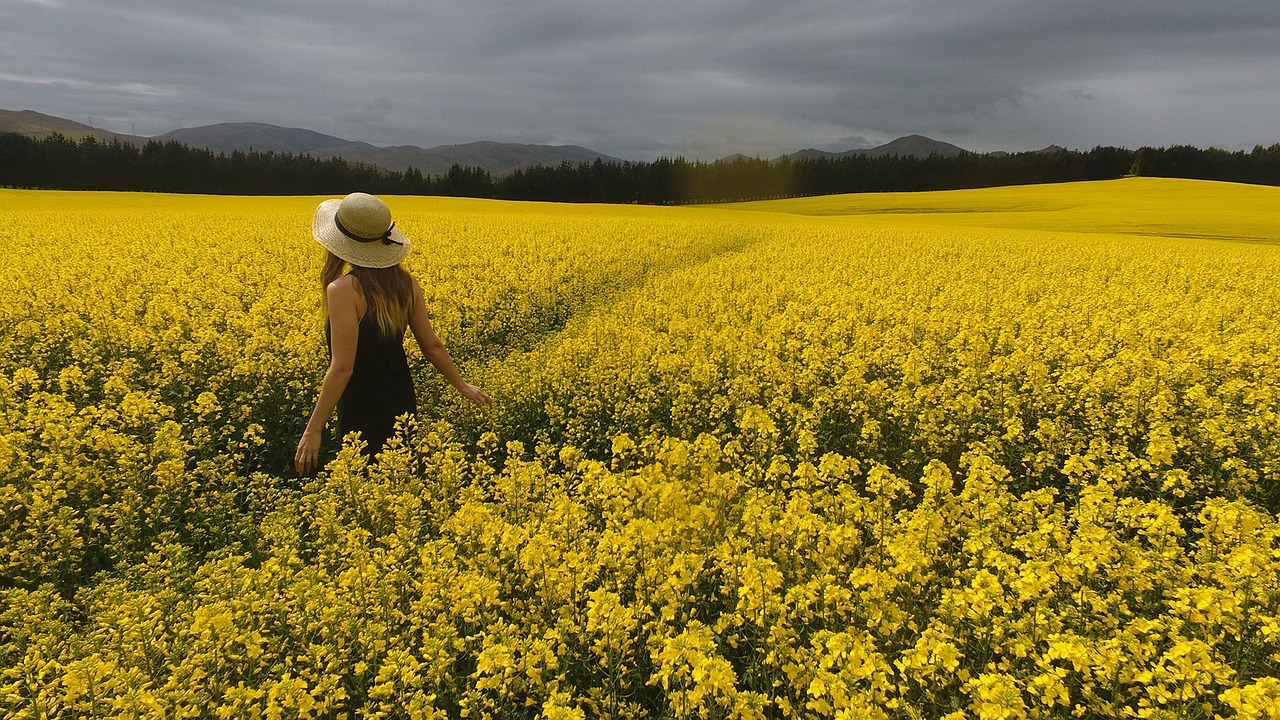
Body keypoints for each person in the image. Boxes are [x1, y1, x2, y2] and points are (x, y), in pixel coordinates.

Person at [294, 192, 491, 475]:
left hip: (361, 403)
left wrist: (313, 430)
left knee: (366, 482)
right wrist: (462, 386)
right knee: (400, 478)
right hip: (400, 397)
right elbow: (432, 345)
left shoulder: (342, 291)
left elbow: (342, 368)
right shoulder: (406, 284)